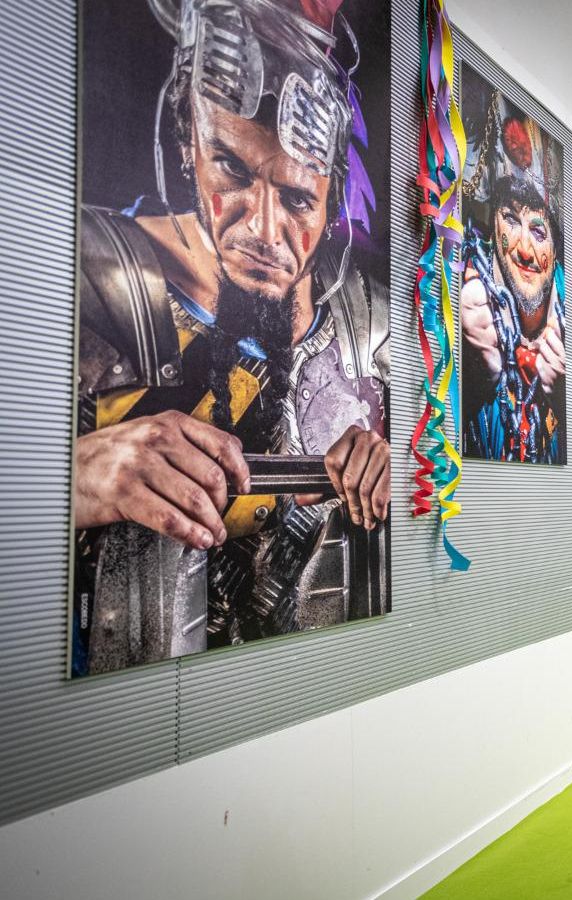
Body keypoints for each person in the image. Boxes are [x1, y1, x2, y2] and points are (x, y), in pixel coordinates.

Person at [73, 0, 390, 675]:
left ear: (331, 197)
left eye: (299, 199)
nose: (264, 230)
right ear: (191, 142)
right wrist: (69, 477)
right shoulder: (89, 275)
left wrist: (387, 470)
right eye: (234, 171)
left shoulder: (367, 324)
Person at [458, 101, 567, 463]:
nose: (523, 248)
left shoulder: (571, 324)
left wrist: (563, 393)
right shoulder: (467, 293)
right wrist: (472, 382)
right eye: (510, 220)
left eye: (538, 230)